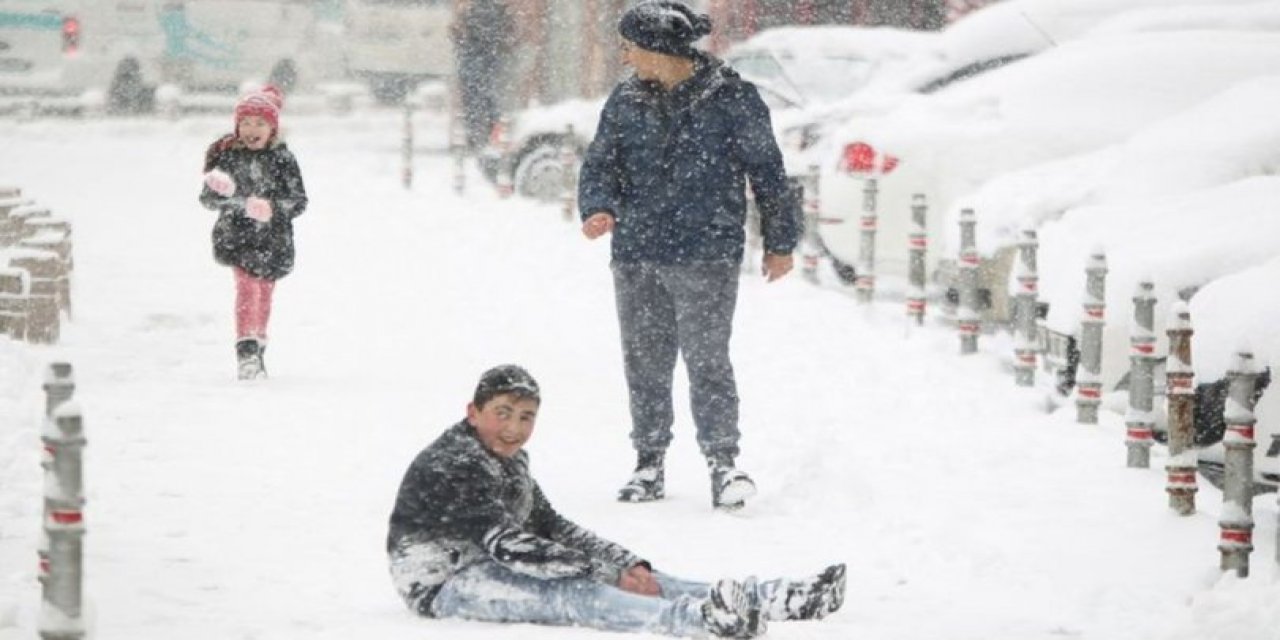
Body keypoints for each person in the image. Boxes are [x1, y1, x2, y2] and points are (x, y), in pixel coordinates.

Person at [386, 364, 845, 639]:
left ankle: (773, 599)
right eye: (502, 414)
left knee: (645, 578)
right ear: (473, 411)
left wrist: (628, 564)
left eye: (526, 417)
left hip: (485, 560)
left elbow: (549, 524)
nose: (514, 428)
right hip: (445, 581)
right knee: (573, 593)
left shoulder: (508, 457)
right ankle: (703, 621)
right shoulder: (455, 463)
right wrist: (608, 574)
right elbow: (510, 546)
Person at [577, 1, 801, 509]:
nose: (626, 56)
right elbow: (600, 163)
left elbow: (767, 172)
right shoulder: (626, 98)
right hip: (637, 252)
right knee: (645, 362)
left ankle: (723, 463)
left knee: (707, 361)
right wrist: (598, 207)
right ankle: (648, 463)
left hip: (707, 251)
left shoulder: (732, 98)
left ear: (658, 49)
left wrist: (780, 241)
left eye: (631, 46)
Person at [199, 87, 307, 380]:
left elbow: (298, 201)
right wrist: (238, 202)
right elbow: (209, 198)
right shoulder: (228, 157)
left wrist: (273, 208)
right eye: (245, 123)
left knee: (264, 291)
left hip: (274, 239)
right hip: (237, 236)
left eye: (259, 123)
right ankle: (245, 350)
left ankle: (258, 345)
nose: (251, 129)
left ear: (272, 128)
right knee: (247, 287)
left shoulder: (284, 160)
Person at [450, 0, 514, 151]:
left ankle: (477, 138)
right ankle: (490, 136)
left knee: (476, 103)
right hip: (486, 64)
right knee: (489, 102)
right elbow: (504, 38)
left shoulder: (474, 11)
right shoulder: (496, 11)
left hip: (475, 65)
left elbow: (461, 35)